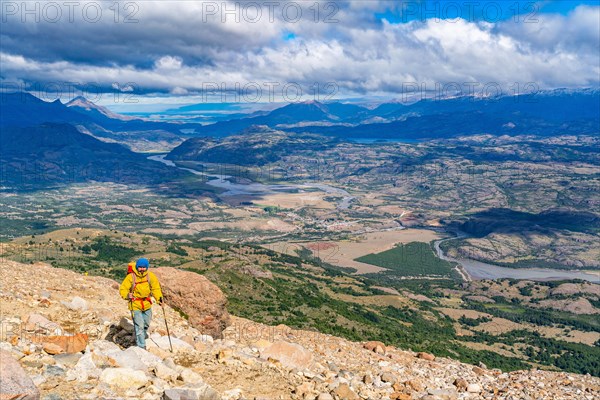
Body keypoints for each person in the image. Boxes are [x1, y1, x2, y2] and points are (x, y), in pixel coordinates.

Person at [119, 258, 163, 349]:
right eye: (140, 267)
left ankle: (139, 336)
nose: (142, 269)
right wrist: (127, 295)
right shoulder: (131, 276)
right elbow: (123, 288)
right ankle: (141, 346)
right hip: (135, 304)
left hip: (147, 303)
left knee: (146, 324)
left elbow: (155, 289)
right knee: (139, 325)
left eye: (144, 267)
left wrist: (159, 299)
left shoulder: (150, 276)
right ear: (137, 267)